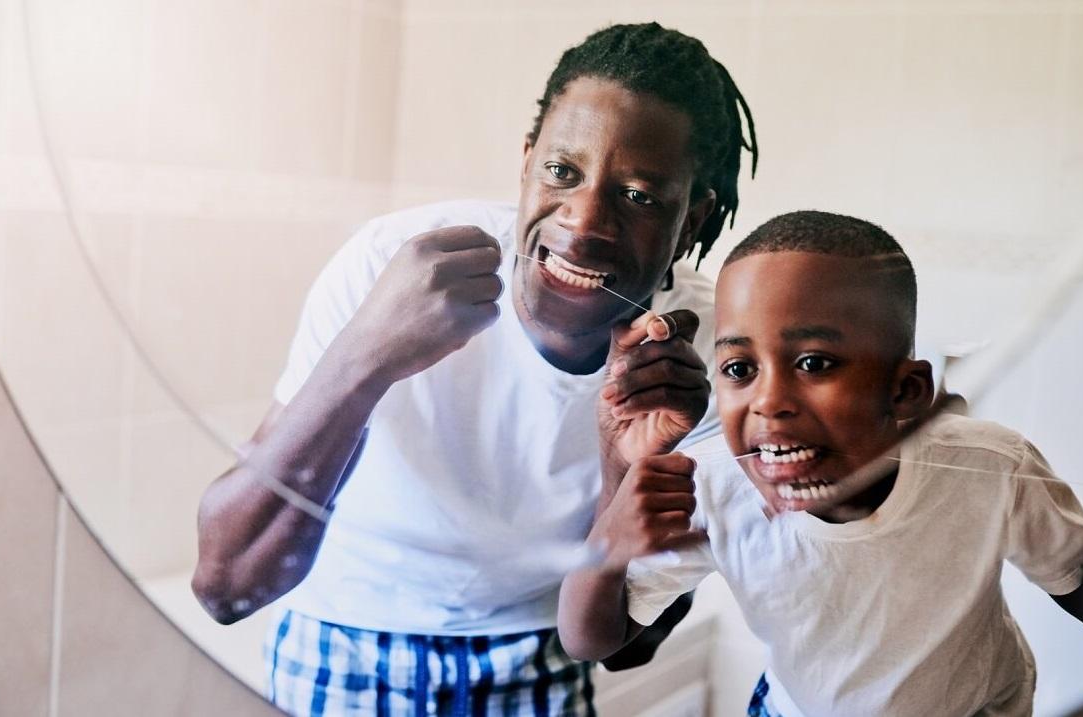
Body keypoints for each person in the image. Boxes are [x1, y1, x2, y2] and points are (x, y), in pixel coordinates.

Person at [191, 23, 759, 716]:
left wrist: (630, 464)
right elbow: (225, 585)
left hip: (540, 655)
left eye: (638, 195)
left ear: (694, 215)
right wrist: (368, 351)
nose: (582, 223)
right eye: (561, 171)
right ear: (525, 163)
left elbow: (626, 644)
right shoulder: (390, 264)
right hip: (341, 637)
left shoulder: (709, 353)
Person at [557, 211, 1083, 716]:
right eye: (739, 369)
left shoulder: (992, 468)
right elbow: (593, 640)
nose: (770, 402)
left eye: (814, 364)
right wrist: (607, 544)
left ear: (907, 392)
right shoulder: (718, 485)